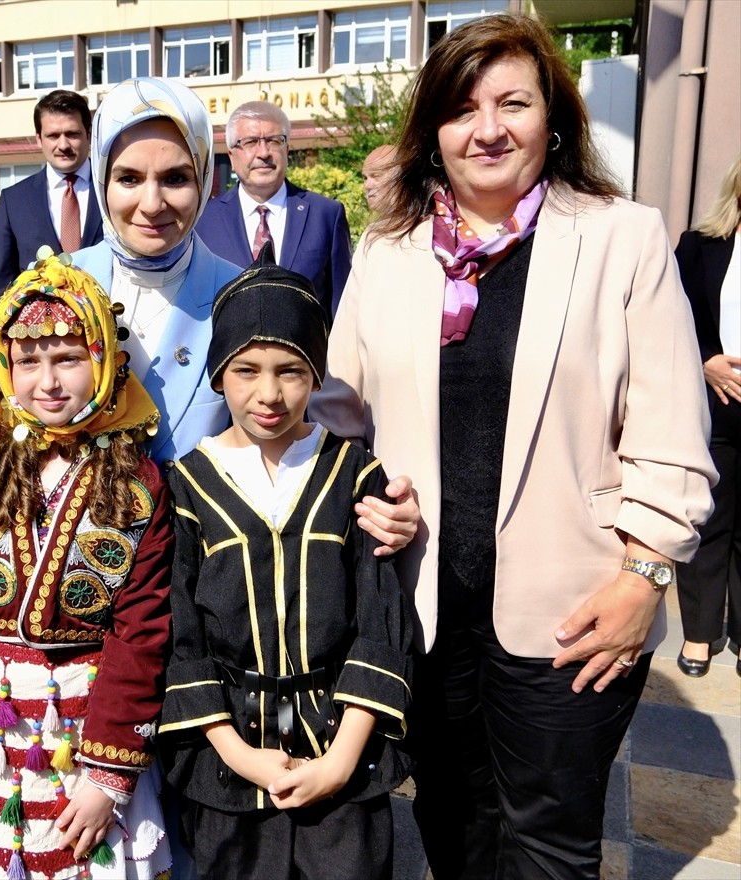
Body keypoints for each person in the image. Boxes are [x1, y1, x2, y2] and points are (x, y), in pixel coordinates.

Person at [312, 14, 715, 878]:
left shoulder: (622, 238)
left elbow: (673, 431)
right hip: (422, 603)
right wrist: (370, 495)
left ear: (553, 118)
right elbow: (343, 415)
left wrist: (644, 578)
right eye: (462, 109)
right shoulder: (388, 250)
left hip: (576, 608)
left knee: (548, 841)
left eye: (512, 104)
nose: (487, 128)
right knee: (451, 821)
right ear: (433, 132)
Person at [0, 253, 173, 879]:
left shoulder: (137, 483)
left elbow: (142, 631)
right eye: (28, 361)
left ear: (104, 359)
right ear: (3, 365)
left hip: (86, 736)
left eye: (69, 358)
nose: (47, 381)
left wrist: (106, 777)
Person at [159, 244, 413, 880]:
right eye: (246, 370)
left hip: (341, 756)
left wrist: (340, 761)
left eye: (291, 371)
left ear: (317, 374)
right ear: (219, 372)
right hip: (231, 766)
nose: (268, 393)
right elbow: (182, 634)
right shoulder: (187, 487)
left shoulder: (355, 475)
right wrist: (239, 754)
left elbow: (380, 623)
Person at [73, 77, 415, 548]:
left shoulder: (245, 294)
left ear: (203, 178)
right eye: (129, 178)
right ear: (100, 178)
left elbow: (306, 425)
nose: (152, 204)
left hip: (211, 568)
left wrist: (379, 504)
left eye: (176, 178)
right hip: (75, 570)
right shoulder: (56, 287)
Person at [673, 154, 741, 678]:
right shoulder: (699, 246)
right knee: (707, 521)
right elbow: (669, 317)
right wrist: (704, 360)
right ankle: (699, 633)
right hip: (714, 407)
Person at [196, 101, 352, 318]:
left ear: (287, 149)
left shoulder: (326, 215)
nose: (263, 153)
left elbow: (343, 311)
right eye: (250, 142)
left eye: (273, 140)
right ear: (231, 156)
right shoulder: (204, 221)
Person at [0, 90, 104, 296]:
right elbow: (2, 287)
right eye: (53, 136)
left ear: (88, 135)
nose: (63, 145)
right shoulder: (13, 201)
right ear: (39, 139)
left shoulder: (112, 189)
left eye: (72, 134)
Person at [362, 144, 397, 215]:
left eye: (376, 176)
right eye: (365, 178)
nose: (367, 186)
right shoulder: (376, 223)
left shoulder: (419, 221)